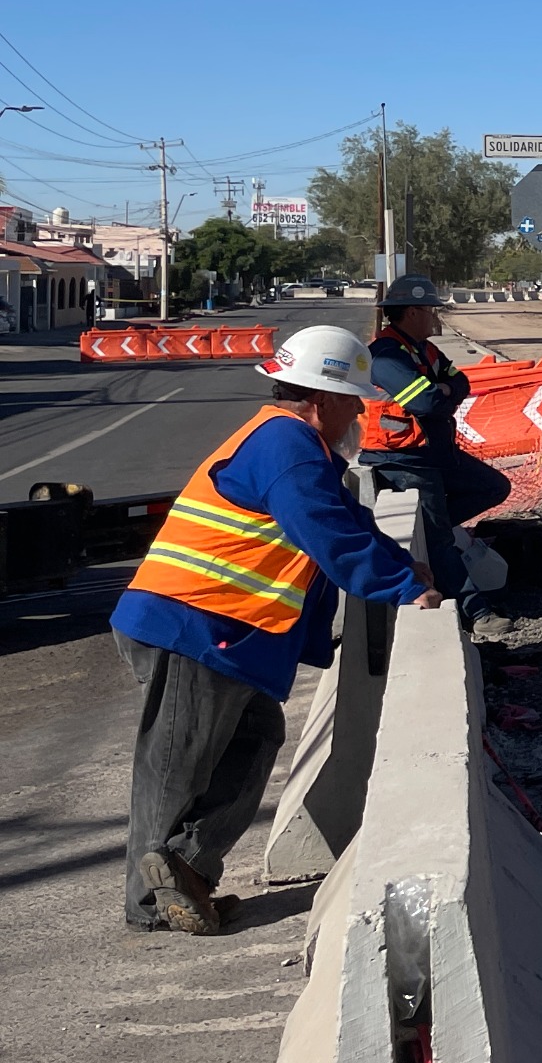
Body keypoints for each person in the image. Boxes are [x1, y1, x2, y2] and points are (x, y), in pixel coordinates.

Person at [113, 326, 440, 933]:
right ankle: (153, 905)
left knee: (255, 739)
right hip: (194, 623)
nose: (360, 411)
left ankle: (184, 869)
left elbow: (345, 518)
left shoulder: (295, 445)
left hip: (225, 628)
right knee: (177, 766)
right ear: (322, 398)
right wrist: (407, 589)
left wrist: (402, 566)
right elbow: (327, 533)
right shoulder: (287, 447)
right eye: (354, 399)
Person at [361, 274, 511, 628]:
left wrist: (444, 389)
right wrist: (442, 391)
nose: (435, 317)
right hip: (401, 459)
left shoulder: (424, 350)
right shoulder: (385, 355)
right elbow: (426, 403)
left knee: (493, 487)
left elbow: (461, 382)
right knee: (439, 537)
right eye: (431, 310)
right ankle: (477, 613)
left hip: (434, 453)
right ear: (412, 312)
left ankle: (435, 531)